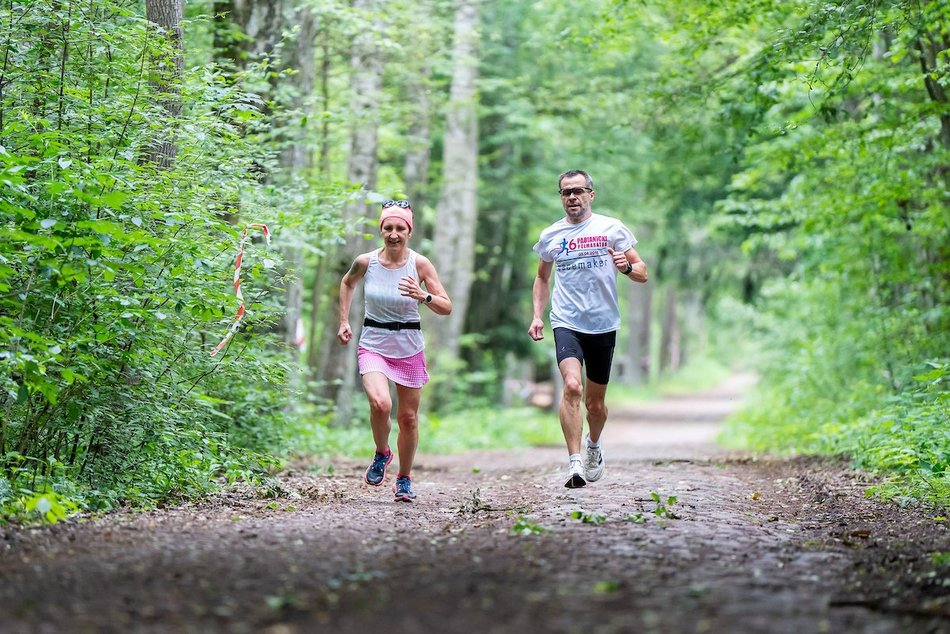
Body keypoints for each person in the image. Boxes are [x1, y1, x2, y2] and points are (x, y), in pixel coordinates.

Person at [529, 170, 648, 488]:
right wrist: (538, 315)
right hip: (566, 320)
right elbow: (542, 277)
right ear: (561, 197)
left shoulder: (611, 228)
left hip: (603, 323)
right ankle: (574, 462)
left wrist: (625, 266)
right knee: (572, 387)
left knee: (595, 404)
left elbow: (642, 272)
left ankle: (593, 445)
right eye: (566, 192)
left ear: (590, 195)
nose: (572, 197)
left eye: (578, 191)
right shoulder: (551, 235)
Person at [337, 199, 452, 502]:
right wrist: (344, 321)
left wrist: (423, 295)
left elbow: (446, 306)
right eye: (388, 227)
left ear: (409, 231)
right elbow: (347, 283)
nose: (393, 233)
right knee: (380, 404)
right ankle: (381, 452)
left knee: (409, 418)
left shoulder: (420, 264)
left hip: (409, 346)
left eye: (400, 228)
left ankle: (404, 479)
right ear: (381, 229)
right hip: (373, 341)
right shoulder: (366, 262)